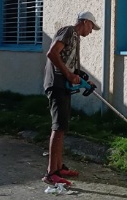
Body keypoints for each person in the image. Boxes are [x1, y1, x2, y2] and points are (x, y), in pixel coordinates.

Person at [42, 11, 100, 186]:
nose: (91, 31)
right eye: (91, 27)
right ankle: (51, 174)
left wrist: (83, 78)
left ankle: (59, 168)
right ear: (85, 22)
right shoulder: (68, 31)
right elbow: (52, 53)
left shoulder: (75, 38)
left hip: (63, 85)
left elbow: (68, 64)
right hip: (56, 84)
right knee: (58, 127)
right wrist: (68, 75)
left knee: (62, 127)